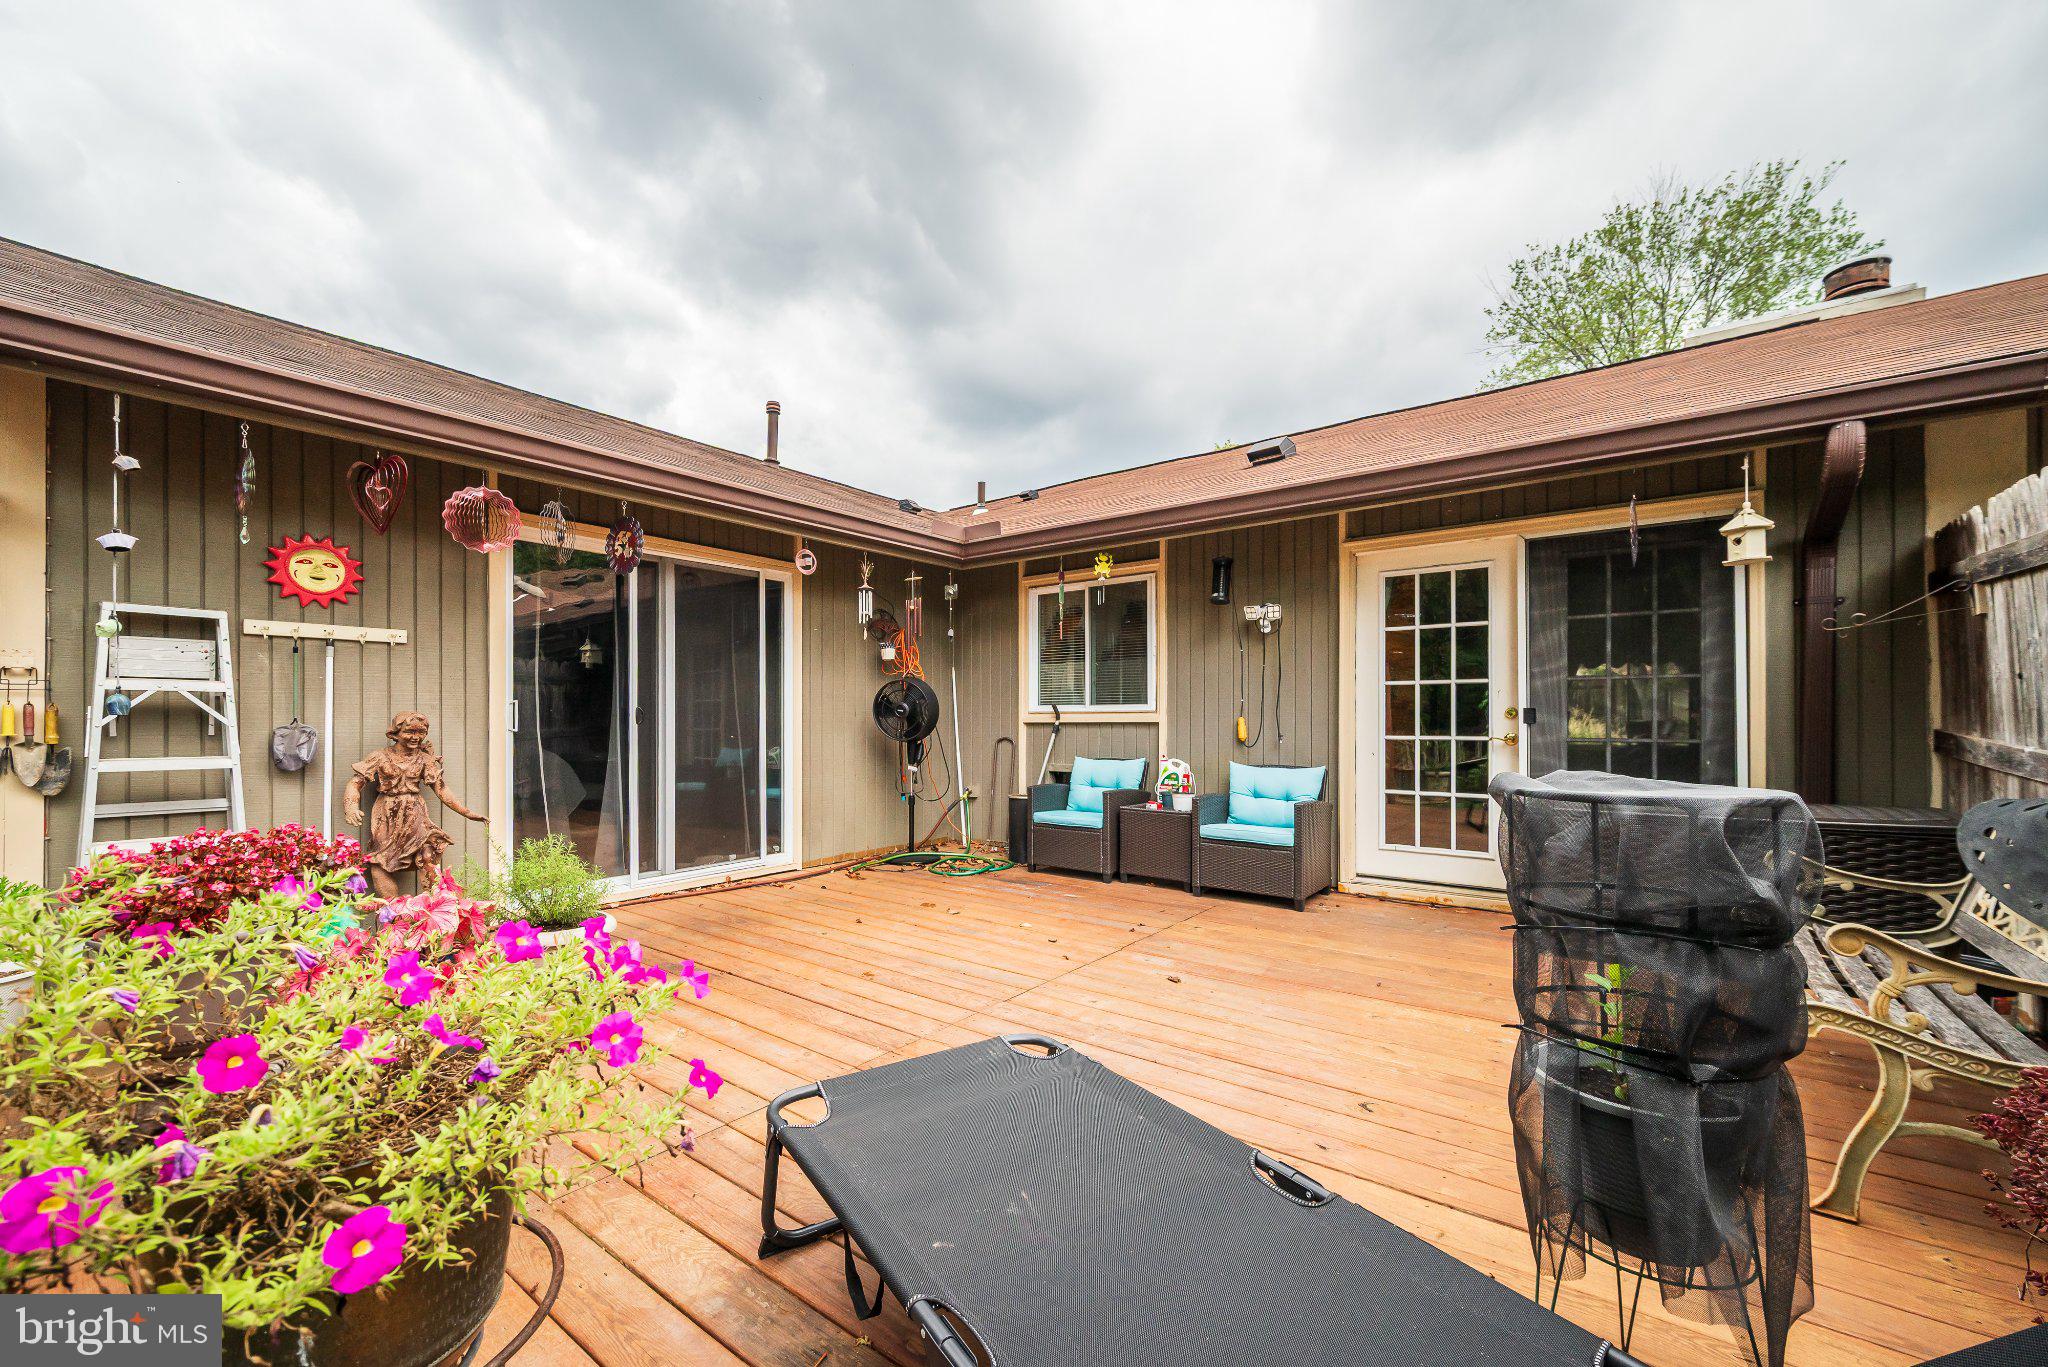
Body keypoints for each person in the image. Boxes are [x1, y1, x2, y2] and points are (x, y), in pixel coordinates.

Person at [342, 711, 485, 898]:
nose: (415, 737)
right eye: (409, 732)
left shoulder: (424, 759)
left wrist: (467, 812)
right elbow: (355, 783)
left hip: (415, 811)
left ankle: (433, 905)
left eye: (421, 732)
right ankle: (393, 911)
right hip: (386, 813)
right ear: (396, 733)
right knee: (380, 862)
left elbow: (441, 789)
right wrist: (351, 806)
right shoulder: (380, 756)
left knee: (427, 853)